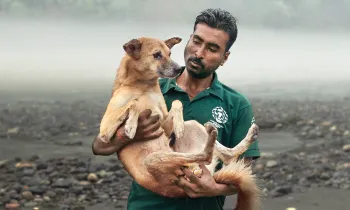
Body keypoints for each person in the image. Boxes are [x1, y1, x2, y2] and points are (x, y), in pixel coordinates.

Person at [92, 8, 260, 210]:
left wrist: (213, 188)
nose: (199, 53)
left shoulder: (237, 104)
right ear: (189, 40)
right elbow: (99, 147)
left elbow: (243, 171)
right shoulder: (150, 88)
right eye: (197, 41)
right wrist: (129, 136)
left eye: (212, 48)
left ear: (224, 57)